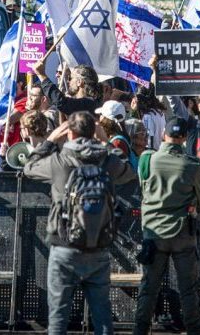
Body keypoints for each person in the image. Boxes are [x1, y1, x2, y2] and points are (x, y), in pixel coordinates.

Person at [23, 111, 136, 335]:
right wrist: (106, 142)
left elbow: (29, 168)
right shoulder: (108, 161)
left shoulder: (59, 161)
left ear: (69, 132)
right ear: (93, 132)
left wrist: (50, 140)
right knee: (102, 317)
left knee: (58, 316)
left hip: (64, 245)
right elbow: (130, 171)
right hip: (98, 246)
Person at [133, 117, 200, 335]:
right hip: (183, 232)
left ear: (164, 134)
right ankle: (194, 331)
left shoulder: (147, 159)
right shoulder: (192, 165)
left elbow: (143, 186)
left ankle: (140, 331)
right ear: (184, 138)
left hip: (154, 234)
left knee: (148, 289)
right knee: (188, 291)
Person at [32, 59, 102, 117]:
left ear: (79, 82)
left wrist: (41, 75)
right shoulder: (85, 103)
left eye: (70, 78)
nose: (68, 81)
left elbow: (61, 102)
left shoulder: (89, 103)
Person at [132, 86, 166, 151]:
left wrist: (133, 111)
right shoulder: (159, 112)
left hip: (150, 153)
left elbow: (148, 140)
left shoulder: (147, 116)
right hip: (159, 150)